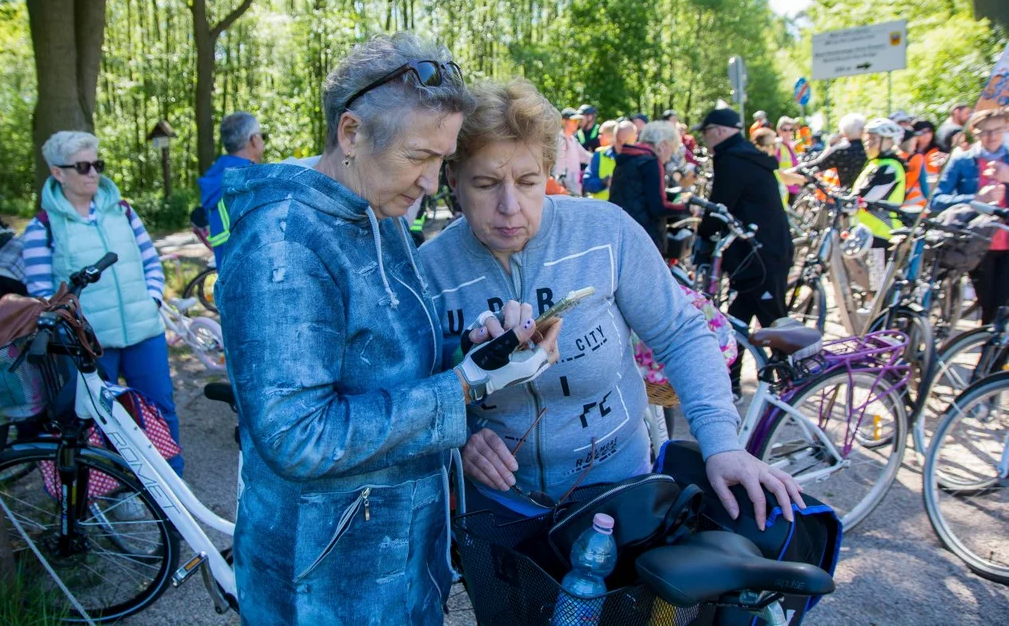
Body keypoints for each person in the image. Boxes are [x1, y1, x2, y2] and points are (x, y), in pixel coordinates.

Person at [214, 34, 560, 624]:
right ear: (351, 134)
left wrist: (474, 350)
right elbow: (298, 435)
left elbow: (389, 361)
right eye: (418, 157)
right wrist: (462, 388)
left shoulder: (382, 212)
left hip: (396, 558)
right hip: (323, 582)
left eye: (441, 161)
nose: (431, 182)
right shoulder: (284, 244)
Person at [419, 78, 804, 528]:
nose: (510, 206)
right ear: (452, 180)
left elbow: (679, 333)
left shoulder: (605, 233)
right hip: (497, 506)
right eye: (485, 184)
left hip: (617, 491)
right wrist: (460, 436)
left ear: (549, 172)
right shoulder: (428, 271)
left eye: (527, 182)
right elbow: (415, 386)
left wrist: (722, 444)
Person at [20, 132, 183, 475]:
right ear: (58, 173)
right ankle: (124, 490)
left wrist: (151, 299)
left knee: (159, 410)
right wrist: (75, 329)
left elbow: (151, 262)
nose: (93, 172)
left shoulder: (123, 211)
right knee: (105, 420)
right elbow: (41, 297)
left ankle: (172, 482)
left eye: (97, 164)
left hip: (144, 333)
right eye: (82, 166)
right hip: (90, 346)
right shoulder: (42, 228)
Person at [695, 108, 792, 396]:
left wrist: (703, 236)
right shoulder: (744, 154)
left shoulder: (732, 159)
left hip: (761, 256)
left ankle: (791, 381)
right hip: (761, 252)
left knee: (773, 320)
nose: (704, 137)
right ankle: (733, 382)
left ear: (720, 131)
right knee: (737, 318)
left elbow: (720, 205)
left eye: (706, 130)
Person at [931, 108, 1009, 324]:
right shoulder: (962, 161)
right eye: (985, 132)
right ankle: (990, 353)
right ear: (975, 133)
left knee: (1003, 307)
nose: (991, 137)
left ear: (1006, 129)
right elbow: (937, 200)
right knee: (989, 307)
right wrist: (976, 199)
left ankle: (994, 353)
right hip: (977, 245)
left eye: (997, 130)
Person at [609, 120, 691, 251]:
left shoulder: (626, 158)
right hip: (644, 239)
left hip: (622, 234)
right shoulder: (651, 163)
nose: (669, 157)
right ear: (663, 144)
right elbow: (658, 207)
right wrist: (686, 207)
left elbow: (638, 193)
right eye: (671, 150)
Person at [198, 112, 265, 268]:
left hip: (228, 277)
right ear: (254, 139)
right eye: (262, 136)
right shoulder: (249, 179)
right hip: (252, 275)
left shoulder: (217, 177)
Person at [852, 118, 908, 287]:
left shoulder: (890, 166)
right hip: (866, 232)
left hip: (882, 234)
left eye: (873, 139)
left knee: (877, 287)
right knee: (867, 283)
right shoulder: (874, 164)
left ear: (889, 141)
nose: (868, 144)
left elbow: (867, 195)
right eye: (866, 139)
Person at [801, 113, 868, 189]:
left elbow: (820, 163)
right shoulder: (869, 149)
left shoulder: (842, 150)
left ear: (844, 131)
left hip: (847, 194)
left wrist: (830, 146)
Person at [554, 107, 592, 195]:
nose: (576, 123)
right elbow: (558, 168)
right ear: (563, 121)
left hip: (574, 189)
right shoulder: (559, 140)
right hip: (563, 191)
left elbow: (586, 157)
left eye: (577, 121)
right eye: (573, 120)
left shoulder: (573, 140)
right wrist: (560, 187)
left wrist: (601, 156)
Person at [583, 119, 619, 200]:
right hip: (601, 207)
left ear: (612, 136)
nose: (599, 137)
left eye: (602, 134)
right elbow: (587, 184)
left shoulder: (626, 154)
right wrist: (604, 181)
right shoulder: (599, 154)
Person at [898, 128, 930, 208]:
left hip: (898, 203)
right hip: (917, 205)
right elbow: (924, 185)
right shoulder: (918, 158)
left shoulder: (895, 158)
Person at [775, 117, 801, 202]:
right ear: (779, 130)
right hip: (781, 189)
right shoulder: (777, 145)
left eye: (791, 129)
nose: (788, 132)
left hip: (792, 187)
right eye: (784, 130)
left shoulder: (791, 146)